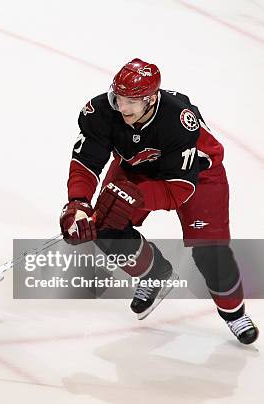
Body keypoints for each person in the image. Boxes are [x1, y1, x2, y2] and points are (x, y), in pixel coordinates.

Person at [59, 58, 259, 344]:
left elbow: (177, 191)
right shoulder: (102, 112)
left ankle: (234, 314)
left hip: (196, 177)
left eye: (132, 101)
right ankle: (154, 272)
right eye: (118, 98)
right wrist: (77, 202)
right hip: (138, 166)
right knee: (105, 225)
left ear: (151, 98)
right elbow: (86, 161)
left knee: (210, 252)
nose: (122, 107)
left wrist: (133, 199)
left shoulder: (177, 121)